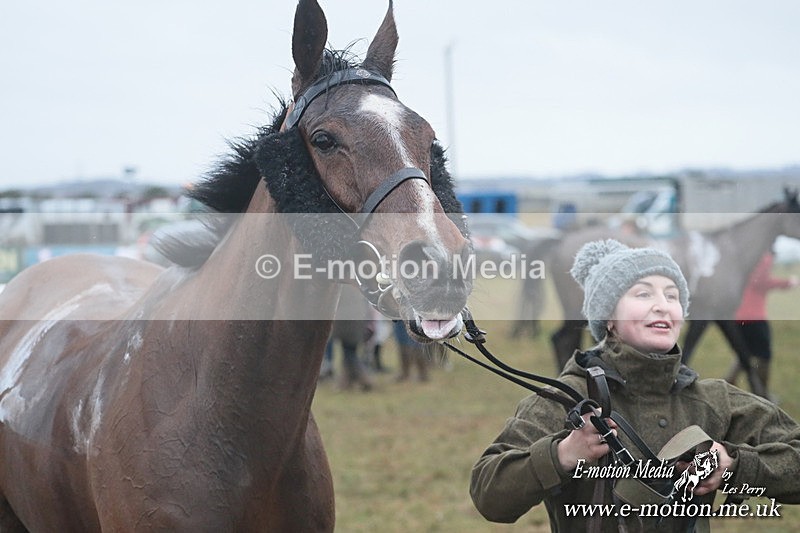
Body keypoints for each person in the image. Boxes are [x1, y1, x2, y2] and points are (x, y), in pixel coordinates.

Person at [470, 239, 800, 532]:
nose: (662, 304)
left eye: (672, 295)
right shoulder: (567, 398)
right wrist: (563, 454)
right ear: (608, 318)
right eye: (643, 293)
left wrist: (733, 465)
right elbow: (488, 493)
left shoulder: (713, 399)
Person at [727, 251, 799, 397]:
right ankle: (763, 394)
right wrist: (788, 283)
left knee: (745, 352)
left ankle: (728, 383)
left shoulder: (745, 255)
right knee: (764, 355)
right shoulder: (763, 256)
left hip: (739, 314)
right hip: (754, 316)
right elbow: (760, 281)